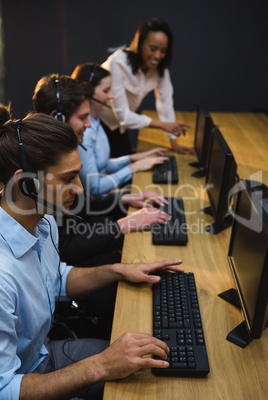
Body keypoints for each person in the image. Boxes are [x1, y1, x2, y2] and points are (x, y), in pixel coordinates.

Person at [0, 104, 184, 400]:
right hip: (23, 383)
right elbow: (4, 390)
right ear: (26, 184)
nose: (81, 189)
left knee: (155, 370)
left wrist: (117, 271)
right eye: (68, 178)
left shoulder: (43, 221)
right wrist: (100, 366)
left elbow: (55, 279)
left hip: (43, 354)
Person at [32, 73, 172, 268]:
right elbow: (64, 250)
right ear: (58, 118)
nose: (89, 125)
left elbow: (79, 207)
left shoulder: (59, 153)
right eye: (83, 118)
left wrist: (122, 200)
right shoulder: (40, 164)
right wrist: (122, 226)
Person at [100, 17, 195, 157]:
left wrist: (174, 143)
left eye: (163, 50)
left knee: (127, 163)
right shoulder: (118, 63)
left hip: (119, 126)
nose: (158, 55)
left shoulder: (160, 70)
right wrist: (162, 125)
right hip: (97, 122)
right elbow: (123, 116)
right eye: (153, 49)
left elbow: (166, 104)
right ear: (140, 44)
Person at [71, 62, 169, 197]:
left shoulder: (95, 121)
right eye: (106, 91)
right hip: (99, 204)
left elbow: (102, 165)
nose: (111, 96)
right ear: (89, 93)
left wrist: (133, 158)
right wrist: (133, 167)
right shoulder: (84, 132)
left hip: (105, 195)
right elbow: (95, 188)